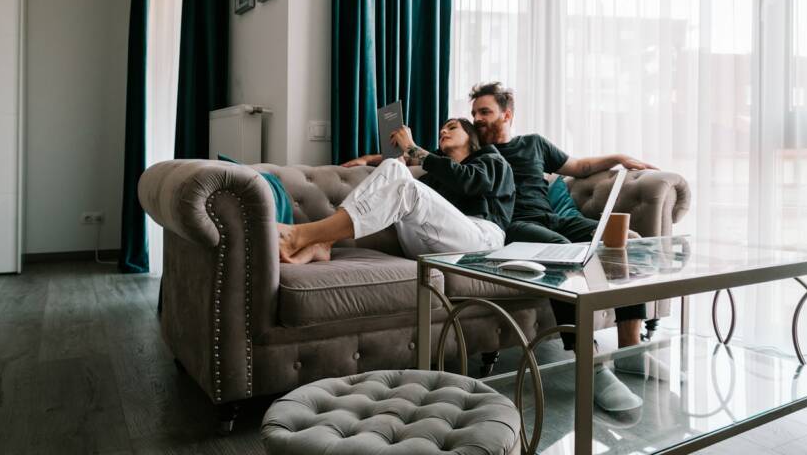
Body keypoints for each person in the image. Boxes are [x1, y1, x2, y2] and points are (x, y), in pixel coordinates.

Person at [468, 81, 663, 412]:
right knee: (563, 252)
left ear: (507, 114)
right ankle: (592, 365)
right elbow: (427, 158)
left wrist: (619, 156)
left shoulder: (533, 144)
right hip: (515, 226)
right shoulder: (474, 151)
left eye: (484, 111)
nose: (477, 119)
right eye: (474, 113)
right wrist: (376, 157)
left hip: (553, 219)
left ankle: (631, 351)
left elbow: (580, 168)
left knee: (626, 241)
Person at [279, 118, 514, 264]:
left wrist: (411, 148)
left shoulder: (491, 159)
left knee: (405, 185)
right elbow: (421, 201)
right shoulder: (434, 177)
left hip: (482, 242)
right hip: (427, 244)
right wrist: (372, 160)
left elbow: (470, 182)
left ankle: (305, 236)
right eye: (442, 129)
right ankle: (325, 241)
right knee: (393, 167)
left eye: (452, 127)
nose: (443, 132)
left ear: (472, 138)